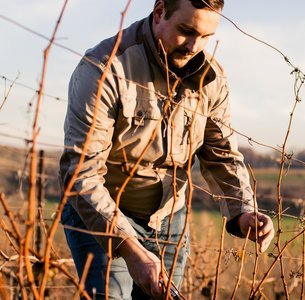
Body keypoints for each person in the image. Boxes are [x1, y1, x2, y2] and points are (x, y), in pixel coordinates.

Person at [59, 0, 275, 298]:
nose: (194, 46)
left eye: (207, 37)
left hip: (169, 219)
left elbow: (221, 154)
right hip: (102, 213)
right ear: (159, 12)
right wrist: (129, 247)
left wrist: (244, 211)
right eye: (186, 31)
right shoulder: (104, 67)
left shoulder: (211, 79)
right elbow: (81, 173)